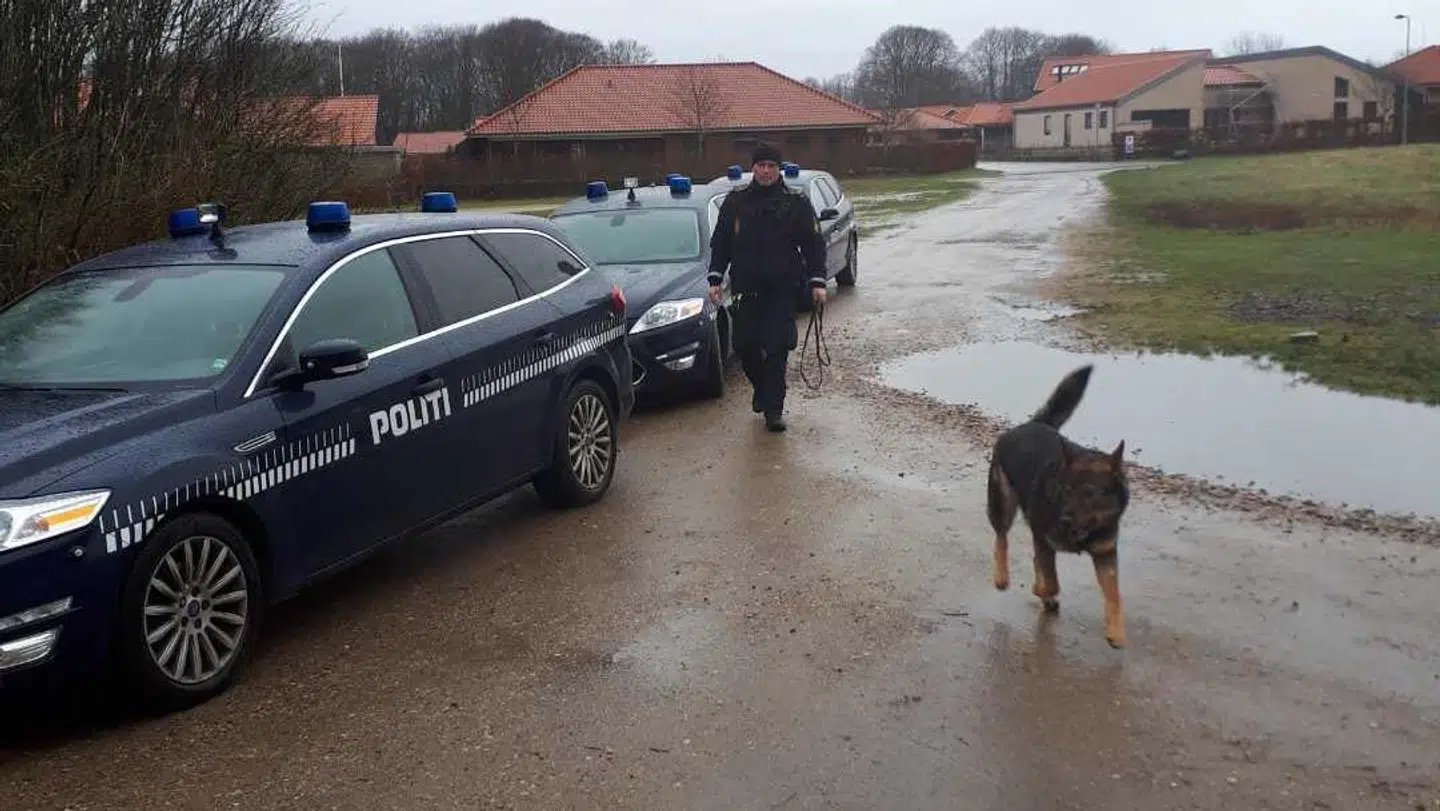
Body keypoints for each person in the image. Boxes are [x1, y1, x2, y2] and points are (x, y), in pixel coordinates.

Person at [706, 143, 827, 433]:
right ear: (753, 168)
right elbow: (721, 241)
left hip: (781, 290)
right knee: (746, 347)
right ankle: (762, 390)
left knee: (776, 350)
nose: (766, 171)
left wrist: (818, 281)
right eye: (761, 165)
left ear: (779, 169)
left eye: (772, 166)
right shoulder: (736, 202)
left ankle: (774, 409)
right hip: (746, 288)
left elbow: (813, 244)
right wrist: (715, 277)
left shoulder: (794, 202)